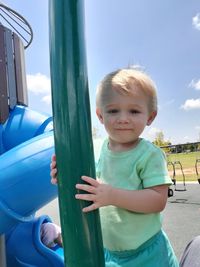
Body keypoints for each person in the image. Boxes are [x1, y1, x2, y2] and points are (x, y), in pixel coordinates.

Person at [50, 68, 179, 266]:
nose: (123, 118)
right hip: (108, 251)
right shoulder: (93, 149)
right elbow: (85, 185)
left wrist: (112, 196)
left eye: (134, 111)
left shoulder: (149, 155)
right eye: (113, 110)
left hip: (146, 253)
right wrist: (64, 174)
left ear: (150, 117)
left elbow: (157, 200)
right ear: (100, 116)